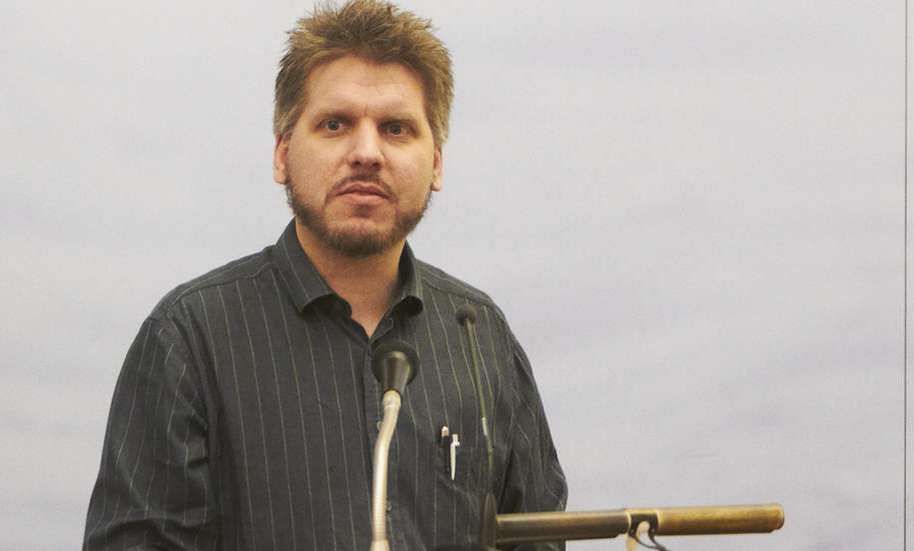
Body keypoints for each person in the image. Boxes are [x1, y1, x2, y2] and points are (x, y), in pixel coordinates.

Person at [82, 1, 567, 549]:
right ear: (282, 154)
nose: (366, 153)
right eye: (335, 125)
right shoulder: (190, 337)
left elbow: (540, 538)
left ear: (436, 163)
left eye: (396, 129)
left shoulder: (480, 338)